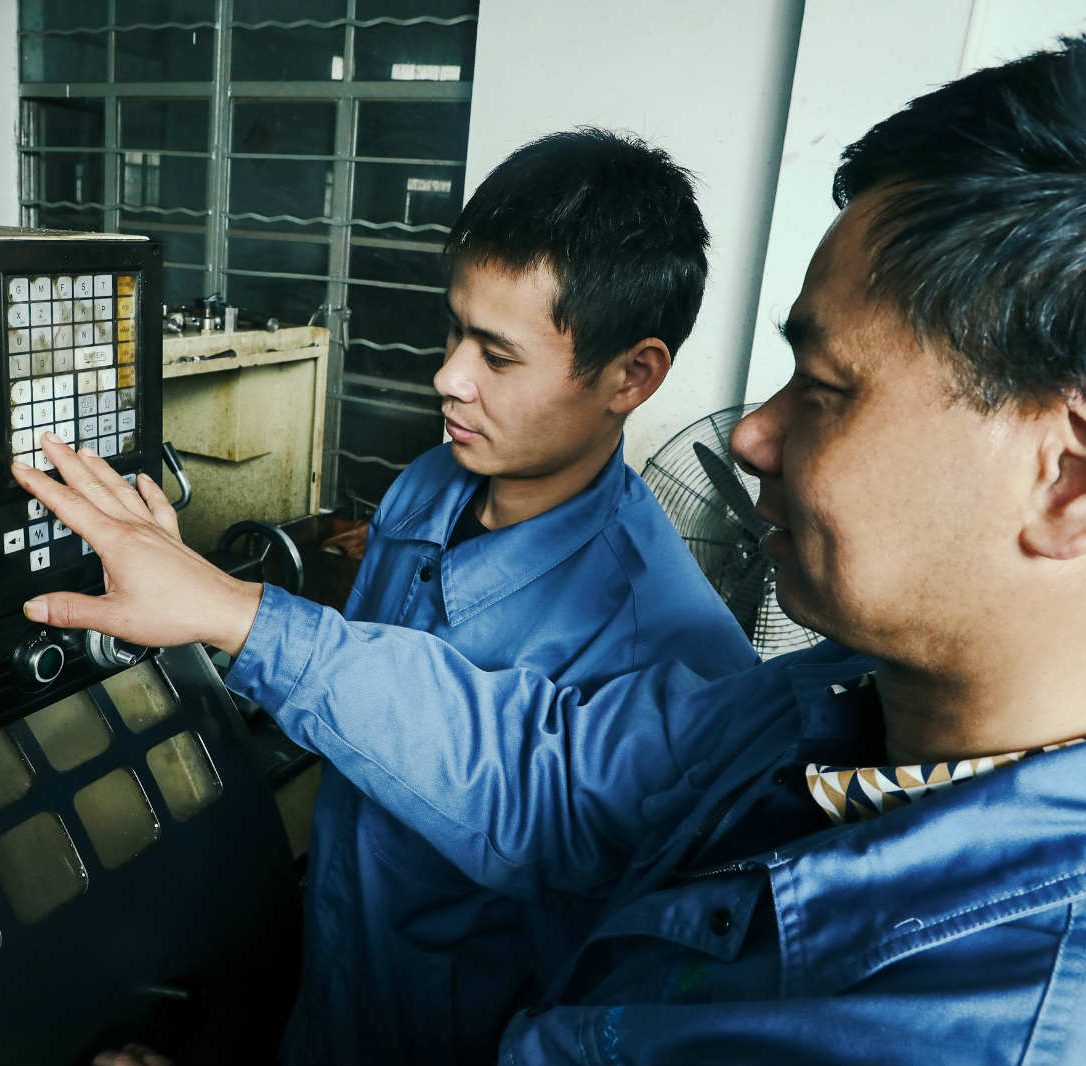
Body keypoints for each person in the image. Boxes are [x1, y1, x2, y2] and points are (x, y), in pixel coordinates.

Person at [15, 35, 1086, 1063]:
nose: (751, 435)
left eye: (827, 386)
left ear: (1081, 461)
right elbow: (541, 781)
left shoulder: (1010, 1018)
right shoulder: (821, 706)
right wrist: (232, 612)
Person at [308, 128, 764, 1064]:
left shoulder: (674, 655)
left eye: (498, 356)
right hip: (332, 974)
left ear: (631, 375)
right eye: (454, 330)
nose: (447, 377)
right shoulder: (429, 483)